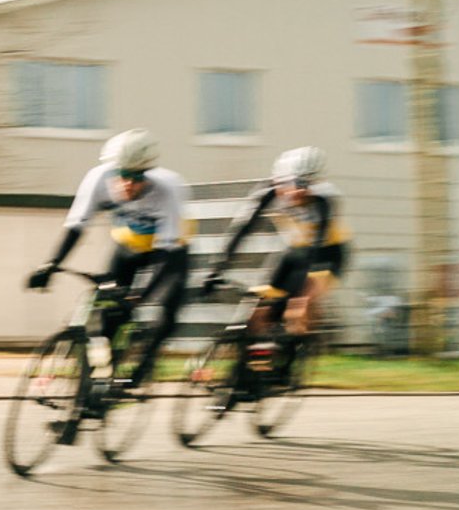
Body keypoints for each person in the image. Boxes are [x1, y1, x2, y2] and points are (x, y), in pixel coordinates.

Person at [25, 126, 194, 386]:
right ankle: (100, 385)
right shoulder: (97, 179)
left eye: (137, 177)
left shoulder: (168, 189)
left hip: (170, 251)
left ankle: (145, 363)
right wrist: (51, 265)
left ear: (148, 172)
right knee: (107, 314)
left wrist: (140, 296)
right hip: (128, 245)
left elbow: (167, 256)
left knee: (165, 309)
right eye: (122, 175)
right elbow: (76, 228)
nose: (128, 183)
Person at [206, 146, 350, 361]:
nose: (301, 191)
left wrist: (299, 295)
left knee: (298, 308)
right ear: (280, 180)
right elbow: (242, 232)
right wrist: (218, 267)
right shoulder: (267, 194)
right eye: (297, 184)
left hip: (327, 254)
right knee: (257, 314)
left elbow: (317, 244)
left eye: (307, 185)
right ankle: (249, 376)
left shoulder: (324, 199)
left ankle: (292, 360)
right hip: (294, 251)